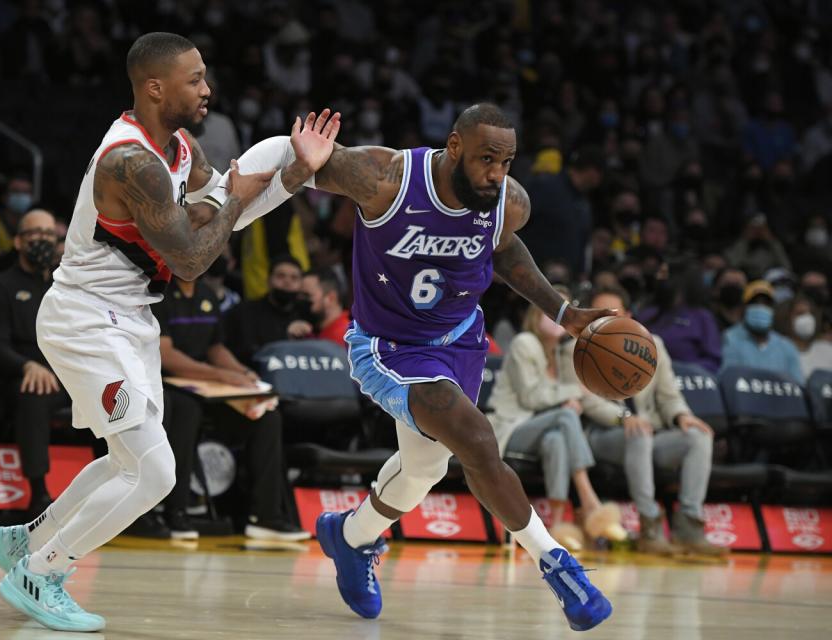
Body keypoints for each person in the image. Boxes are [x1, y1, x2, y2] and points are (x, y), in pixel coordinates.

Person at [0, 32, 339, 632]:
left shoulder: (180, 149)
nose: (208, 89)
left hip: (131, 319)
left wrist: (295, 172)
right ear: (155, 87)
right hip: (86, 319)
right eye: (195, 79)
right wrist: (239, 199)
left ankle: (29, 540)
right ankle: (42, 571)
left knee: (128, 458)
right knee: (155, 472)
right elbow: (197, 259)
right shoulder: (131, 162)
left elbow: (220, 209)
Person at [300, 103, 614, 629]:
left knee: (423, 469)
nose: (496, 172)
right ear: (454, 147)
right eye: (487, 158)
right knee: (475, 439)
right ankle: (558, 565)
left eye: (507, 162)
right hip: (391, 346)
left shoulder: (506, 203)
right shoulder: (388, 177)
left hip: (459, 339)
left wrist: (563, 311)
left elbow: (505, 251)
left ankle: (350, 537)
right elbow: (293, 163)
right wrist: (225, 189)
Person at [154, 277, 309, 541]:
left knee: (266, 415)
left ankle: (266, 517)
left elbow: (216, 347)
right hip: (167, 384)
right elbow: (166, 356)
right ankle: (175, 511)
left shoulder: (206, 294)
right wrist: (220, 375)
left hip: (208, 386)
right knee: (186, 410)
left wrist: (243, 373)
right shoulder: (160, 294)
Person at [583, 286, 722, 556]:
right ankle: (650, 526)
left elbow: (670, 395)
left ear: (628, 315)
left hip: (647, 435)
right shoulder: (578, 348)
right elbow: (586, 400)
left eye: (613, 311)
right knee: (640, 432)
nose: (606, 317)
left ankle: (689, 526)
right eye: (599, 312)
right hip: (602, 435)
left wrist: (683, 416)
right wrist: (624, 417)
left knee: (698, 437)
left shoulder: (652, 344)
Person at [487, 286, 627, 552]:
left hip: (542, 432)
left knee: (556, 440)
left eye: (559, 312)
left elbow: (576, 399)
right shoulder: (524, 343)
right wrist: (572, 394)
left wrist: (619, 415)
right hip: (509, 428)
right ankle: (589, 502)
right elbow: (531, 398)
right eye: (548, 311)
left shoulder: (562, 354)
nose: (554, 318)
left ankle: (558, 527)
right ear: (534, 314)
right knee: (564, 416)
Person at [0, 209, 68, 517]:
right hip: (19, 374)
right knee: (33, 393)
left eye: (49, 235)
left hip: (68, 376)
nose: (43, 240)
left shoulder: (66, 287)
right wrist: (27, 366)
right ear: (18, 242)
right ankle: (39, 494)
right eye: (35, 234)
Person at [517, 145, 604, 278]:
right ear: (593, 172)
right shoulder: (545, 186)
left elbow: (582, 243)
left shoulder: (584, 203)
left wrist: (581, 273)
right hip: (529, 276)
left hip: (565, 283)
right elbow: (516, 223)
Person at [223, 255, 314, 363]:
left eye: (294, 278)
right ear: (269, 280)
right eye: (280, 276)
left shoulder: (308, 313)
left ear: (301, 284)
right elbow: (246, 352)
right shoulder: (245, 312)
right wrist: (285, 336)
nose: (287, 282)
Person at [638, 267, 722, 373]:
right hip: (649, 376)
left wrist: (679, 369)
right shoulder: (647, 314)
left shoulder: (702, 317)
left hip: (691, 379)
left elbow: (713, 361)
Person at [720, 280, 803, 384]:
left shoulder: (787, 347)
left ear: (773, 309)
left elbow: (798, 387)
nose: (760, 307)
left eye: (766, 303)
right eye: (755, 303)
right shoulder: (729, 338)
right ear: (744, 307)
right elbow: (728, 380)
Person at [776, 295, 832, 379]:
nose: (807, 318)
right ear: (787, 319)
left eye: (810, 314)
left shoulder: (827, 350)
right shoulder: (778, 349)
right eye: (800, 314)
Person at [301, 266, 350, 347]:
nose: (301, 301)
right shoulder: (312, 332)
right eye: (300, 296)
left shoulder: (348, 336)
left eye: (307, 295)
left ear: (331, 298)